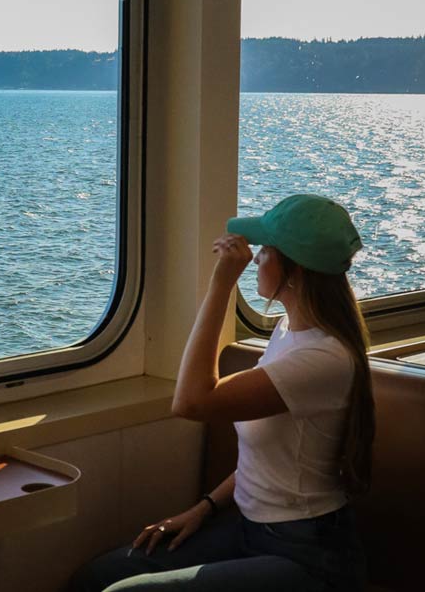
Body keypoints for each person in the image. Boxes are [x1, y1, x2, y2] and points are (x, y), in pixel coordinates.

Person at [69, 194, 374, 591]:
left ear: (294, 270)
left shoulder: (323, 359)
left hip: (308, 554)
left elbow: (192, 400)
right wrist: (205, 508)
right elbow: (268, 462)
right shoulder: (288, 332)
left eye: (266, 251)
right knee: (97, 578)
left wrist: (222, 283)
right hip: (250, 529)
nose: (257, 259)